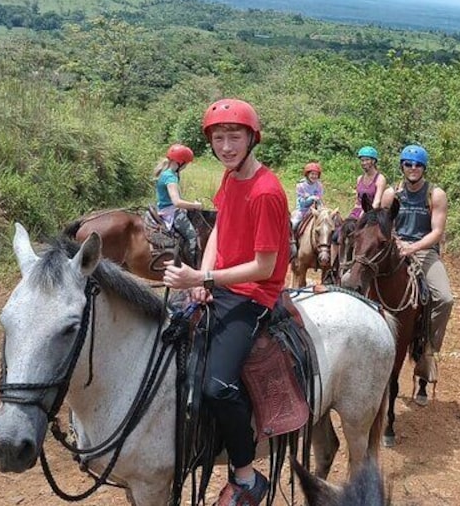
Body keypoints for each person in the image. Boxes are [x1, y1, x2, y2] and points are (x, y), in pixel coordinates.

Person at [162, 98, 289, 506]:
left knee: (218, 386)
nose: (226, 145)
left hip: (253, 295)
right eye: (219, 137)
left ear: (252, 139)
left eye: (235, 136)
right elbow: (218, 231)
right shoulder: (229, 178)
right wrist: (202, 277)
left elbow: (264, 266)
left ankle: (247, 476)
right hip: (220, 284)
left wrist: (205, 277)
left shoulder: (267, 191)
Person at [381, 144, 453, 403]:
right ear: (402, 166)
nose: (413, 169)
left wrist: (413, 247)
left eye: (417, 165)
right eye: (408, 164)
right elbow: (382, 224)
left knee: (444, 298)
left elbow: (437, 232)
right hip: (395, 249)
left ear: (424, 168)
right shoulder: (392, 193)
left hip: (423, 251)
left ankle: (429, 351)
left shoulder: (435, 194)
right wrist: (396, 242)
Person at [154, 143, 202, 265]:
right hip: (171, 211)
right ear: (181, 162)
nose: (186, 167)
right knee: (192, 236)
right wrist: (195, 205)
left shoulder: (166, 174)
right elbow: (177, 202)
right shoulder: (171, 177)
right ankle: (191, 266)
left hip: (164, 208)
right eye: (186, 164)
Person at [289, 162, 324, 259]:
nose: (314, 176)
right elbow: (302, 202)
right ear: (307, 174)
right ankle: (292, 245)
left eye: (316, 174)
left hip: (316, 210)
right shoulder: (301, 186)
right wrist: (311, 198)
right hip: (302, 210)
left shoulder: (319, 185)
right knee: (294, 223)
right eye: (312, 174)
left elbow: (320, 199)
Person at [348, 146, 386, 220]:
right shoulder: (359, 178)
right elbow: (357, 201)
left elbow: (377, 202)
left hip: (372, 212)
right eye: (362, 160)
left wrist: (364, 213)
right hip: (358, 212)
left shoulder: (380, 179)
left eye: (367, 160)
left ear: (373, 161)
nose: (364, 163)